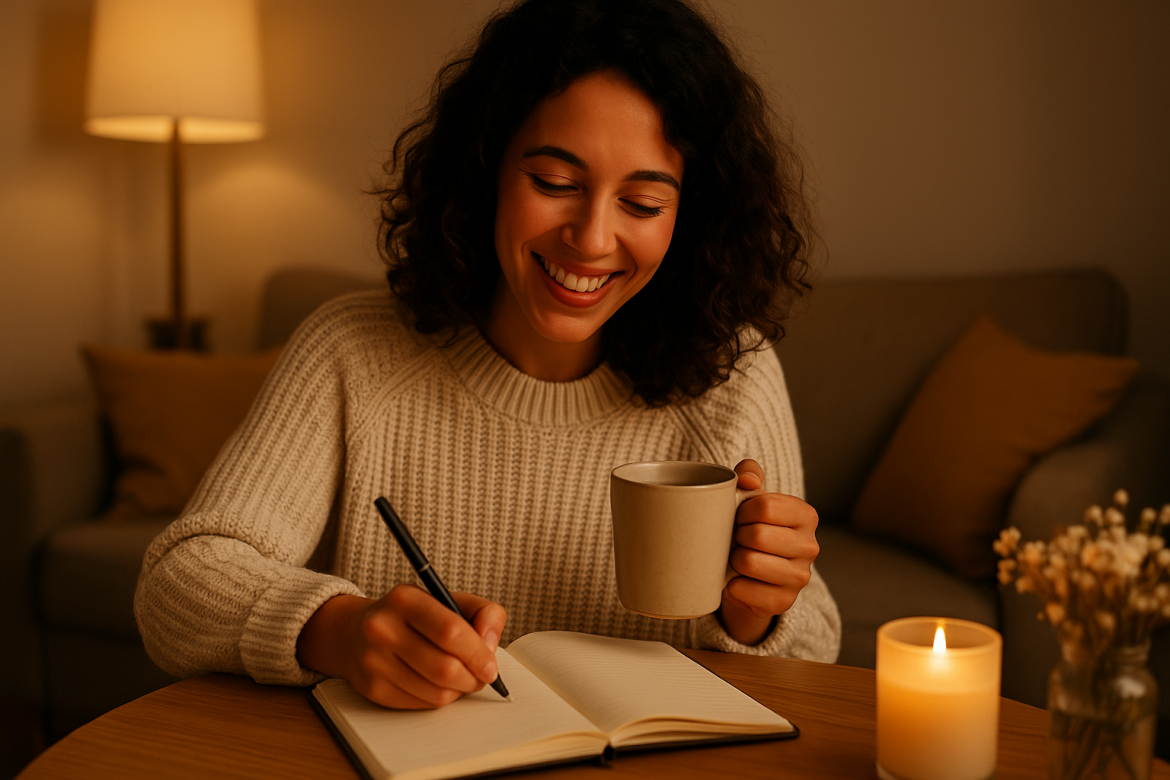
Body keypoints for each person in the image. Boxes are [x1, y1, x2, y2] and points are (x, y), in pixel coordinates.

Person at [134, 0, 840, 711]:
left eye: (644, 204)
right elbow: (177, 587)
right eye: (555, 184)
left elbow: (816, 647)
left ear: (689, 217)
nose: (592, 240)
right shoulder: (353, 351)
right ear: (486, 169)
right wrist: (340, 631)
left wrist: (757, 610)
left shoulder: (734, 376)